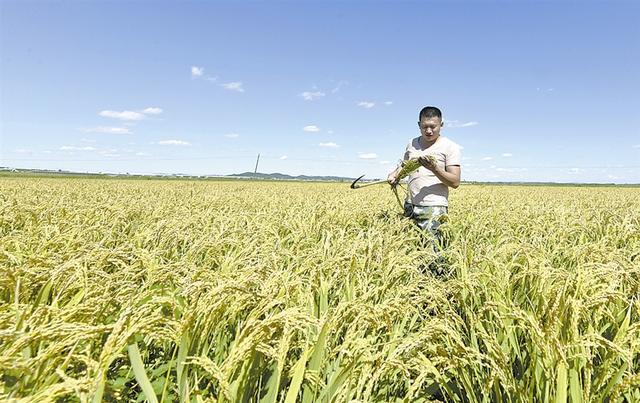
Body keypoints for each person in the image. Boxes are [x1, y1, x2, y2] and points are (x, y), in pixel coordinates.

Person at [387, 106, 462, 243]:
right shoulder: (412, 143)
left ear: (441, 125)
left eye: (433, 127)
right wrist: (394, 175)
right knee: (409, 246)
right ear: (418, 125)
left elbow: (455, 182)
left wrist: (435, 169)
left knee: (433, 250)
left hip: (433, 208)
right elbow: (404, 166)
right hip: (410, 204)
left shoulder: (450, 147)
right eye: (424, 127)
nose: (428, 131)